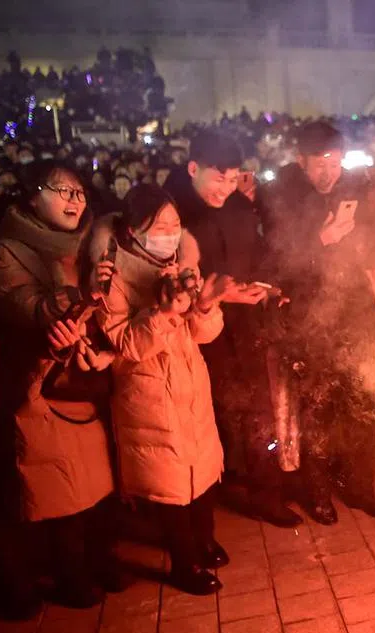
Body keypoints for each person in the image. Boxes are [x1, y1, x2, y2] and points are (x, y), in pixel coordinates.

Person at [92, 185, 246, 596]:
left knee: (202, 471)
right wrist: (162, 313)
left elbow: (202, 334)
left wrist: (207, 305)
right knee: (171, 484)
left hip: (190, 385)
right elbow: (126, 345)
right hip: (148, 395)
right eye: (158, 226)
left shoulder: (182, 266)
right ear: (133, 229)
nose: (168, 234)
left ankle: (204, 539)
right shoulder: (112, 277)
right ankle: (184, 561)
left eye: (174, 225)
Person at [0, 160, 117, 611]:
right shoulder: (7, 250)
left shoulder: (83, 246)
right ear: (31, 196)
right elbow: (24, 305)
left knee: (82, 478)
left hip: (76, 379)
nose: (75, 201)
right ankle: (33, 581)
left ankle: (82, 567)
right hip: (34, 383)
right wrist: (74, 299)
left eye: (80, 192)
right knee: (46, 484)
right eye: (62, 191)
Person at [260, 120, 375, 521]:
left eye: (334, 162)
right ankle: (317, 491)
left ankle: (360, 488)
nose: (327, 171)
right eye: (319, 163)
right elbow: (276, 264)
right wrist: (322, 240)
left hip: (353, 311)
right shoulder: (282, 198)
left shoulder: (356, 190)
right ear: (301, 162)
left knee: (359, 403)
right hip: (310, 317)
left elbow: (374, 240)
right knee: (317, 406)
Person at [166, 131, 301, 527]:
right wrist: (218, 297)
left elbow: (258, 254)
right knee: (209, 415)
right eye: (217, 178)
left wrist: (266, 285)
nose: (224, 188)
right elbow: (167, 280)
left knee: (258, 408)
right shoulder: (172, 215)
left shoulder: (240, 208)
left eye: (232, 179)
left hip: (245, 328)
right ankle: (208, 496)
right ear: (194, 169)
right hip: (195, 333)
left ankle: (266, 492)